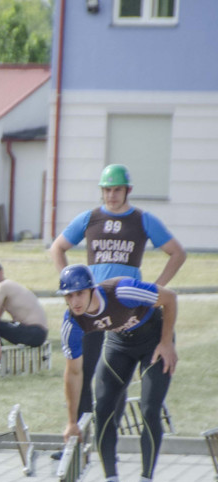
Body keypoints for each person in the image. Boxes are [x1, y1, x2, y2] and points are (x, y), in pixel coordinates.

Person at [49, 164, 185, 420]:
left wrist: (158, 286)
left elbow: (177, 253)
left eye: (117, 190)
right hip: (91, 307)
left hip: (125, 307)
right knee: (83, 371)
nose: (111, 195)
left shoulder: (142, 219)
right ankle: (81, 437)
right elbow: (57, 248)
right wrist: (70, 286)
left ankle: (108, 432)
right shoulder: (89, 218)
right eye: (107, 190)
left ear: (128, 190)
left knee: (115, 377)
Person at [57, 264, 177, 482]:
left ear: (91, 289)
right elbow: (74, 372)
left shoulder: (123, 291)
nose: (75, 301)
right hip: (119, 344)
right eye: (69, 295)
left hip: (153, 338)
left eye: (79, 293)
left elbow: (170, 298)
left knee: (149, 410)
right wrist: (71, 422)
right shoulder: (72, 321)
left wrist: (167, 343)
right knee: (102, 409)